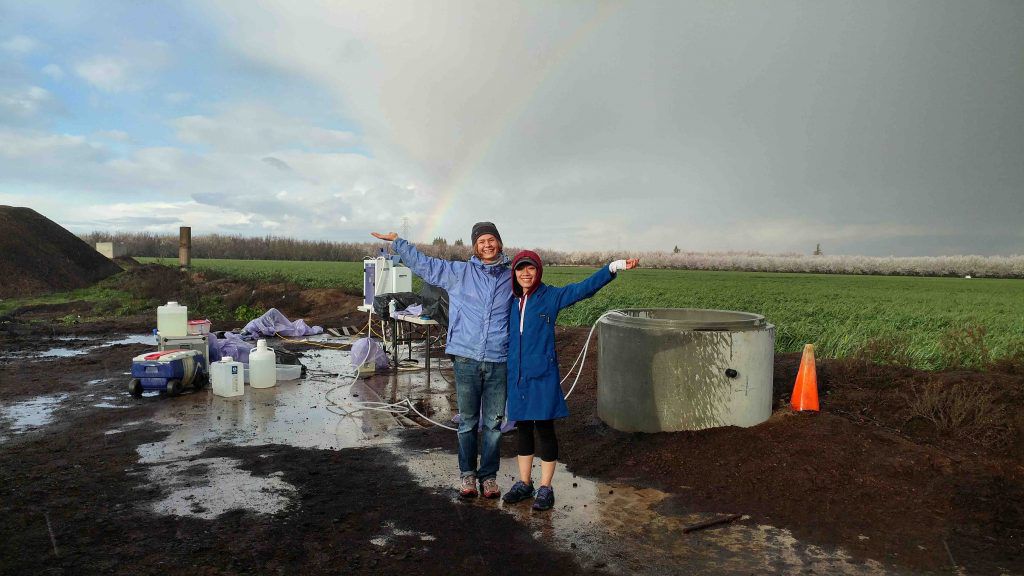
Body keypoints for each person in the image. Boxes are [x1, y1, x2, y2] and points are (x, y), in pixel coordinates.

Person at [371, 223, 512, 499]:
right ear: (475, 247)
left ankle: (489, 478)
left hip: (498, 358)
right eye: (481, 241)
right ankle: (468, 476)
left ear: (500, 243)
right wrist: (399, 243)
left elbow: (540, 289)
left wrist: (608, 272)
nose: (487, 245)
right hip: (466, 358)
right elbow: (426, 265)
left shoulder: (511, 277)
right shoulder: (459, 273)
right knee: (469, 422)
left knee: (494, 425)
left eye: (491, 239)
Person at [501, 250, 639, 510]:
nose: (525, 273)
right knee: (523, 430)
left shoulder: (550, 296)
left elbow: (582, 289)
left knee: (544, 429)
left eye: (530, 268)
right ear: (515, 273)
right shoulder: (511, 300)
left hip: (542, 375)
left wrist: (611, 268)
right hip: (517, 376)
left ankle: (545, 487)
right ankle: (524, 483)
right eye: (521, 269)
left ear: (538, 271)